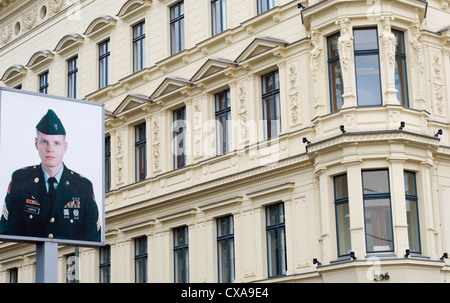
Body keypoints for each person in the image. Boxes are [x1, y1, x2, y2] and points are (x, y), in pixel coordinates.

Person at [0, 109, 101, 242]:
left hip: (68, 259)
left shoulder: (83, 187)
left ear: (65, 147)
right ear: (36, 143)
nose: (50, 149)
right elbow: (6, 234)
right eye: (44, 142)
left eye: (56, 143)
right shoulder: (20, 181)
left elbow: (93, 238)